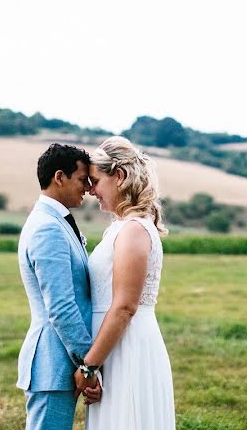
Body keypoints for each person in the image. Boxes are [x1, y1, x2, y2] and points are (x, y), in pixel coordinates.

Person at [83, 136, 176, 429]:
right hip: (112, 347)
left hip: (128, 349)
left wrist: (89, 366)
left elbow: (124, 307)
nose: (90, 190)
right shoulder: (121, 228)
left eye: (95, 180)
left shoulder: (134, 230)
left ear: (119, 176)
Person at [16, 143, 102, 430]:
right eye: (82, 179)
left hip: (60, 360)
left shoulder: (56, 220)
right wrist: (89, 362)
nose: (89, 188)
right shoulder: (47, 227)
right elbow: (62, 306)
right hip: (52, 361)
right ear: (59, 177)